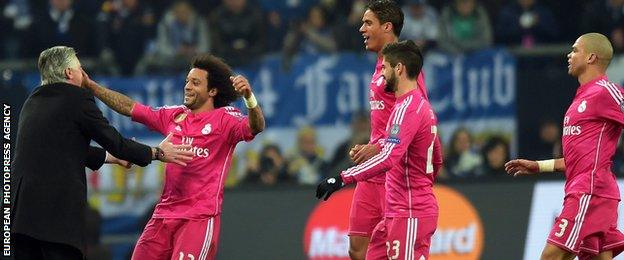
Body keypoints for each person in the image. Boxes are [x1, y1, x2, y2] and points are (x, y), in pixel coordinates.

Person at [11, 46, 193, 260]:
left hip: (21, 218)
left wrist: (111, 158)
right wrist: (157, 152)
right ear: (70, 73)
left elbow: (64, 148)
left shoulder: (32, 103)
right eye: (80, 69)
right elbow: (115, 142)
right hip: (55, 219)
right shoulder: (76, 98)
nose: (83, 74)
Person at [84, 54, 266, 259]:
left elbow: (256, 126)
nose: (187, 86)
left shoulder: (226, 119)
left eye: (195, 83)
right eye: (187, 81)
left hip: (197, 219)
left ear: (212, 91)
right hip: (163, 216)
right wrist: (91, 86)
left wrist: (249, 98)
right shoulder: (174, 115)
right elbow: (130, 108)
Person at [316, 40, 443, 260]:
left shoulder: (407, 108)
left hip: (410, 210)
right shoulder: (418, 107)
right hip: (400, 209)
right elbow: (437, 158)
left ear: (399, 68)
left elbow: (388, 157)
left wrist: (342, 178)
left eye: (385, 68)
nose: (381, 75)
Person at [505, 33, 624, 260]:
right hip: (588, 188)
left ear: (591, 57)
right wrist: (537, 166)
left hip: (590, 190)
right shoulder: (582, 97)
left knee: (551, 256)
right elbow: (578, 159)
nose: (569, 55)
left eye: (575, 50)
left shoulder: (605, 91)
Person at [345, 1, 429, 259]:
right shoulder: (380, 63)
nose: (362, 28)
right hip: (372, 172)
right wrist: (370, 145)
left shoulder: (403, 67)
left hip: (394, 171)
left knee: (395, 249)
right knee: (357, 247)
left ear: (387, 26)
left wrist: (378, 147)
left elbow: (418, 120)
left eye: (368, 23)